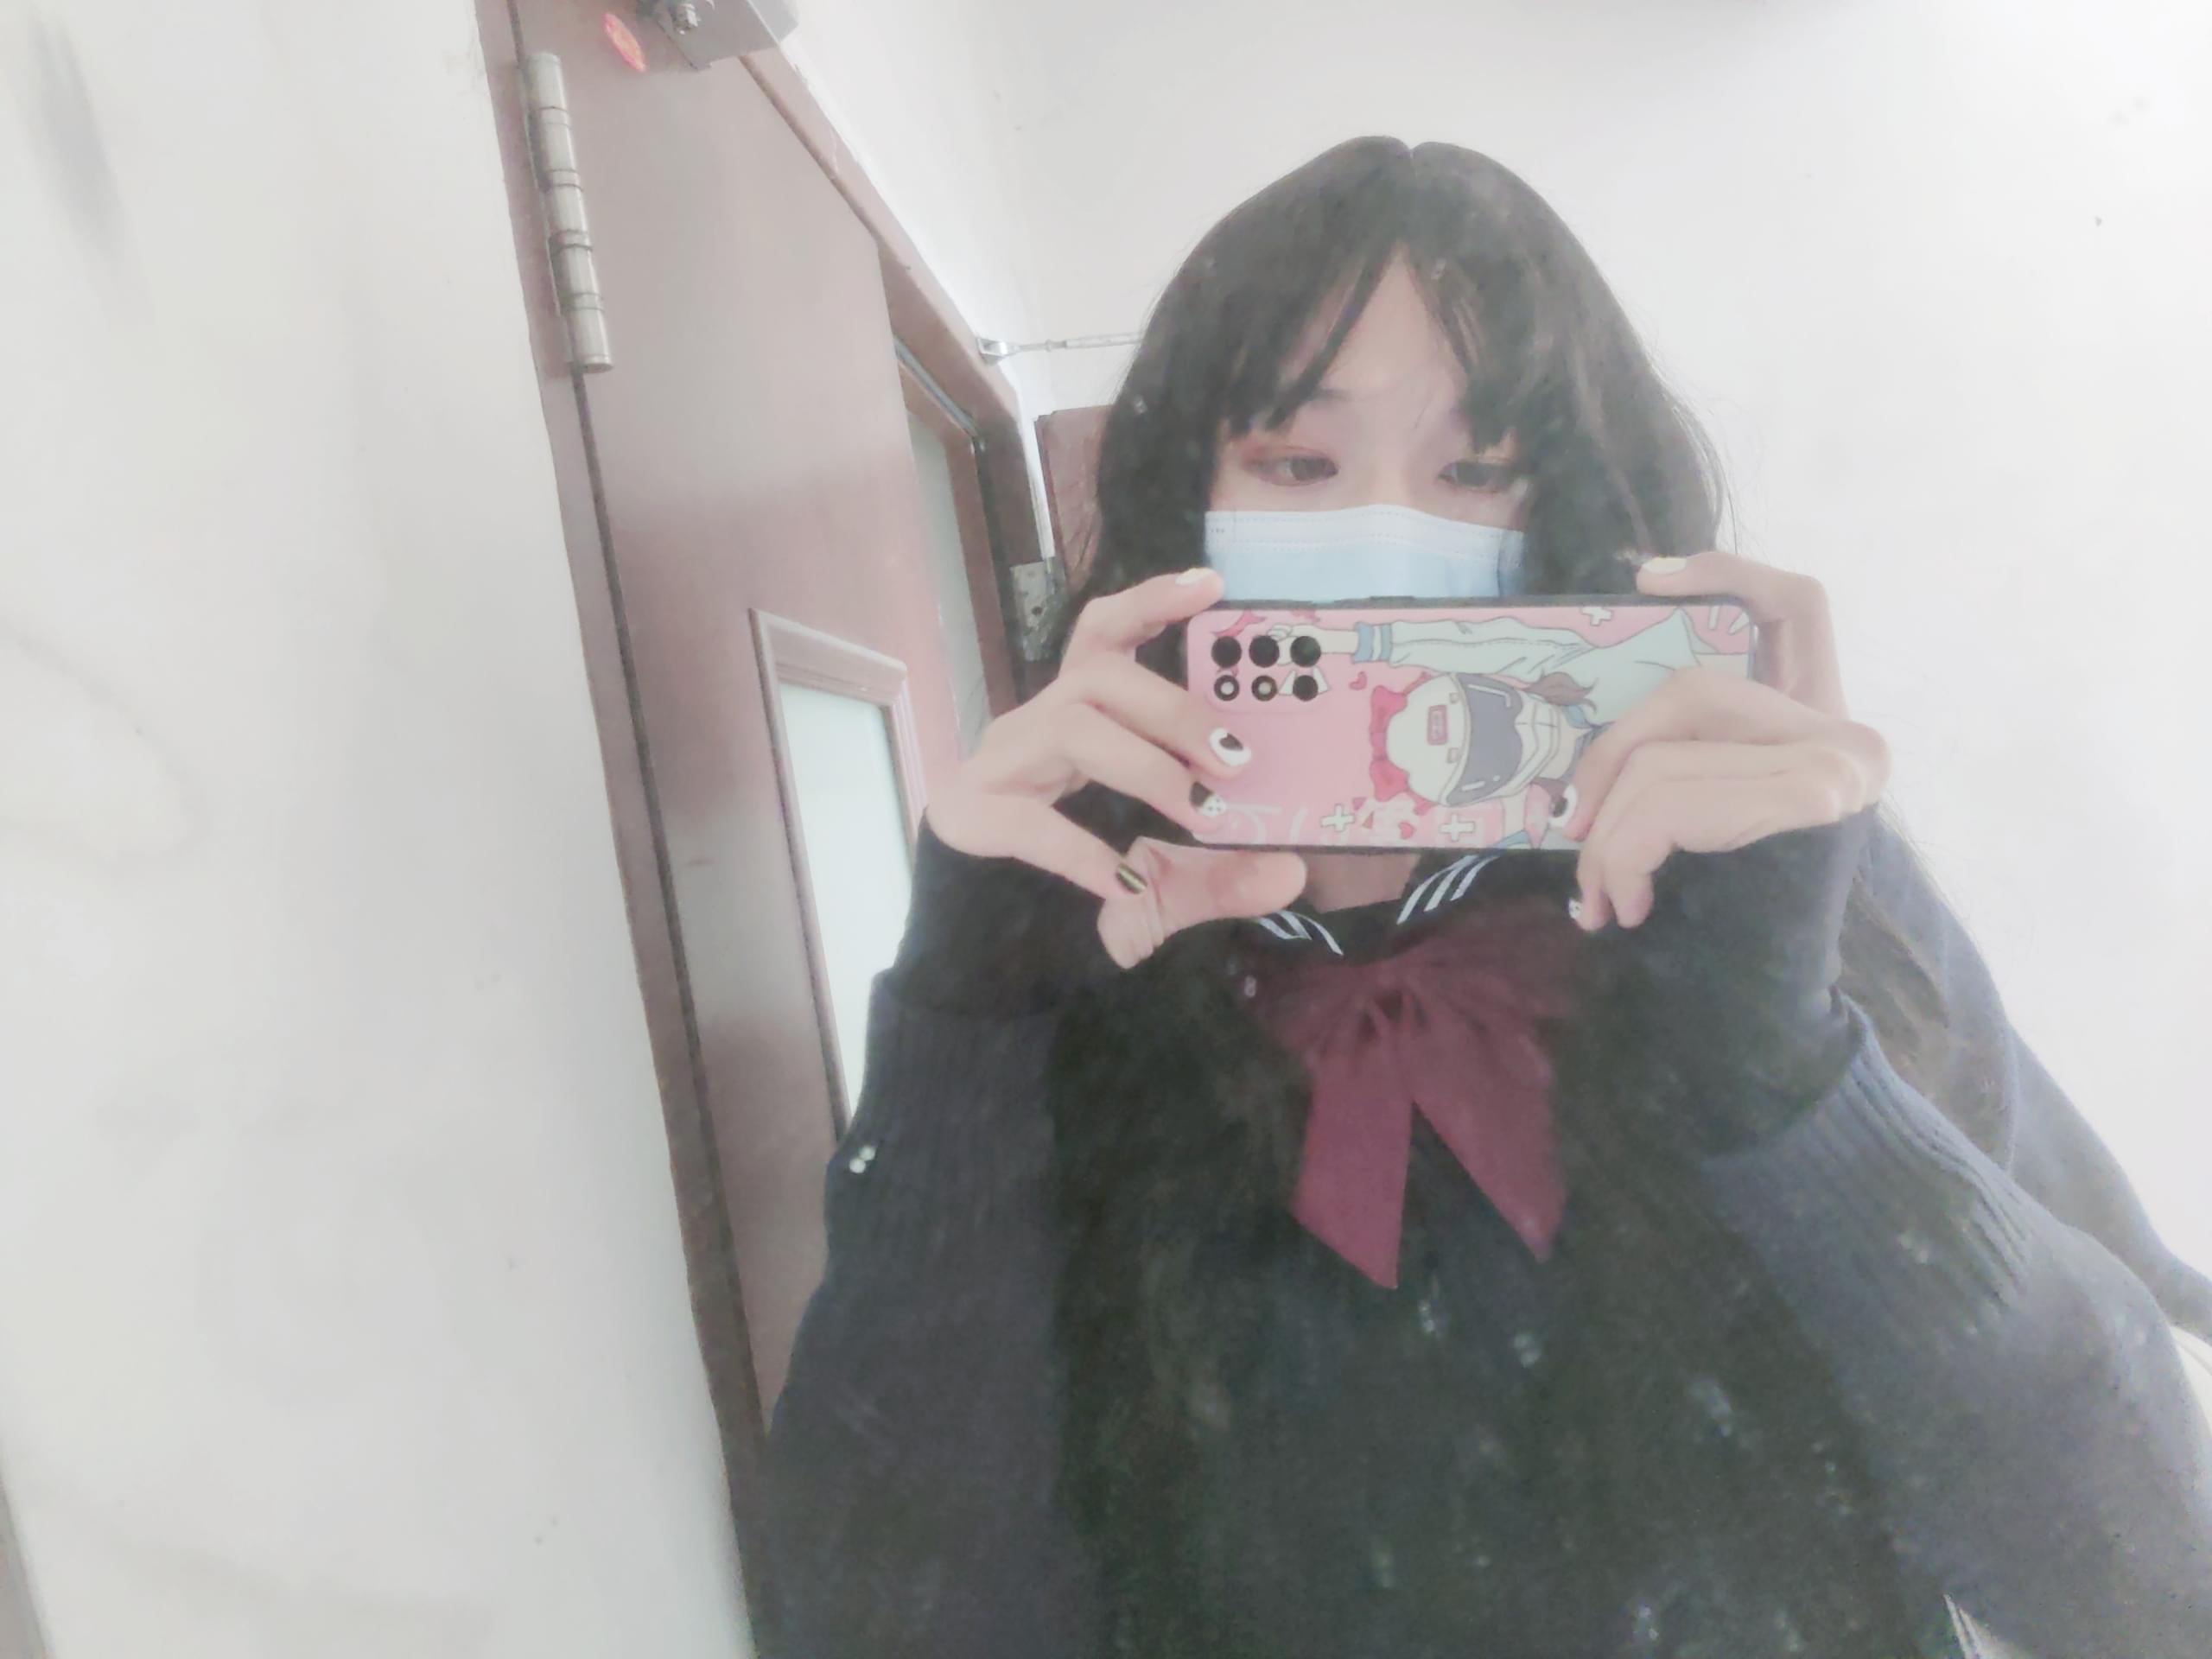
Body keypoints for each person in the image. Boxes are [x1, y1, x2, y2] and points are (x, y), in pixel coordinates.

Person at [764, 138, 2212, 1657]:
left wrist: (1780, 1064)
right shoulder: (1057, 953)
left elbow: (2149, 1581)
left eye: (1478, 470)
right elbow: (881, 1621)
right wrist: (968, 1015)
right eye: (1298, 464)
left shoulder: (1780, 892)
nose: (1393, 537)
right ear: (1187, 510)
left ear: (1579, 513)